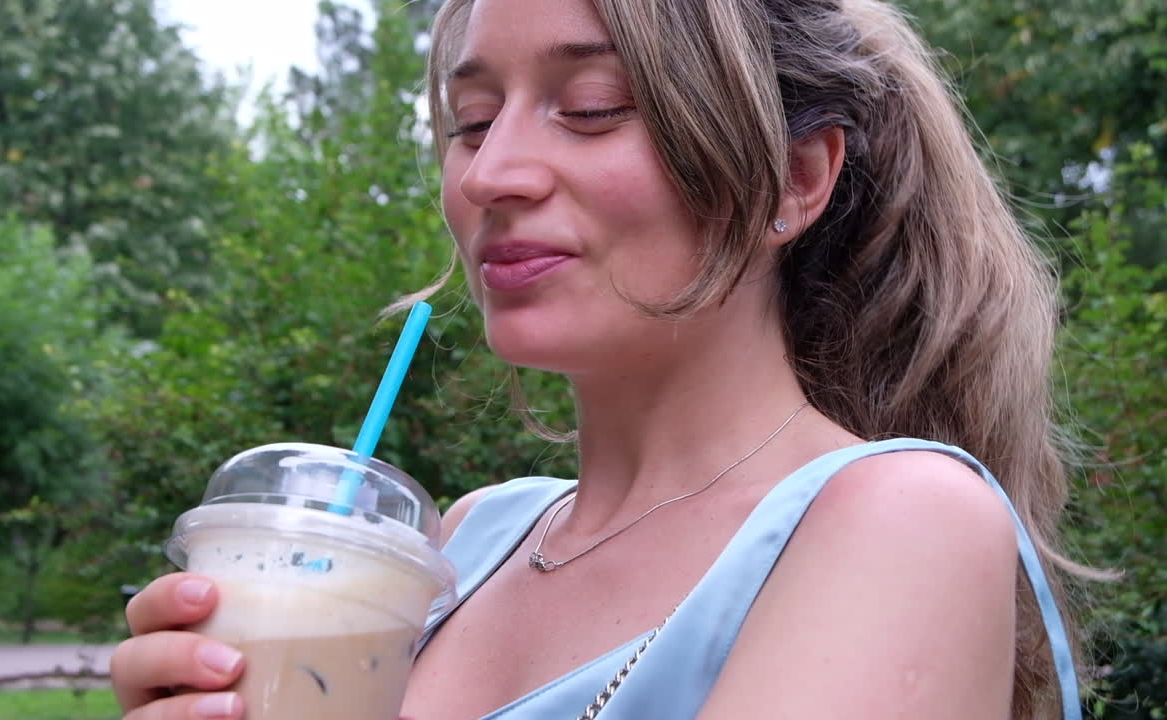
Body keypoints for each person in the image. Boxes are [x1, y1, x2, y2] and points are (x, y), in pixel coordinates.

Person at [112, 0, 1088, 717]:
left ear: (792, 180)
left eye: (588, 106)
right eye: (470, 122)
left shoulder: (900, 521)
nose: (490, 174)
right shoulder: (468, 543)